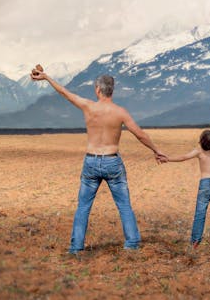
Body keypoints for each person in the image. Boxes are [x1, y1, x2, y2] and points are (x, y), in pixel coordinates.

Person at [30, 67, 167, 254]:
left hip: (91, 162)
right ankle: (132, 244)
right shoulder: (120, 112)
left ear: (97, 89)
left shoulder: (89, 106)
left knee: (83, 207)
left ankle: (76, 247)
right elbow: (140, 134)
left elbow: (65, 93)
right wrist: (156, 150)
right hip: (112, 161)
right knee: (124, 205)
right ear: (112, 90)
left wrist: (46, 77)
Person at [161, 106, 210, 252]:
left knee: (200, 214)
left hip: (204, 183)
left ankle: (195, 242)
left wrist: (167, 159)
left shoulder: (199, 150)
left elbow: (183, 157)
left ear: (201, 141)